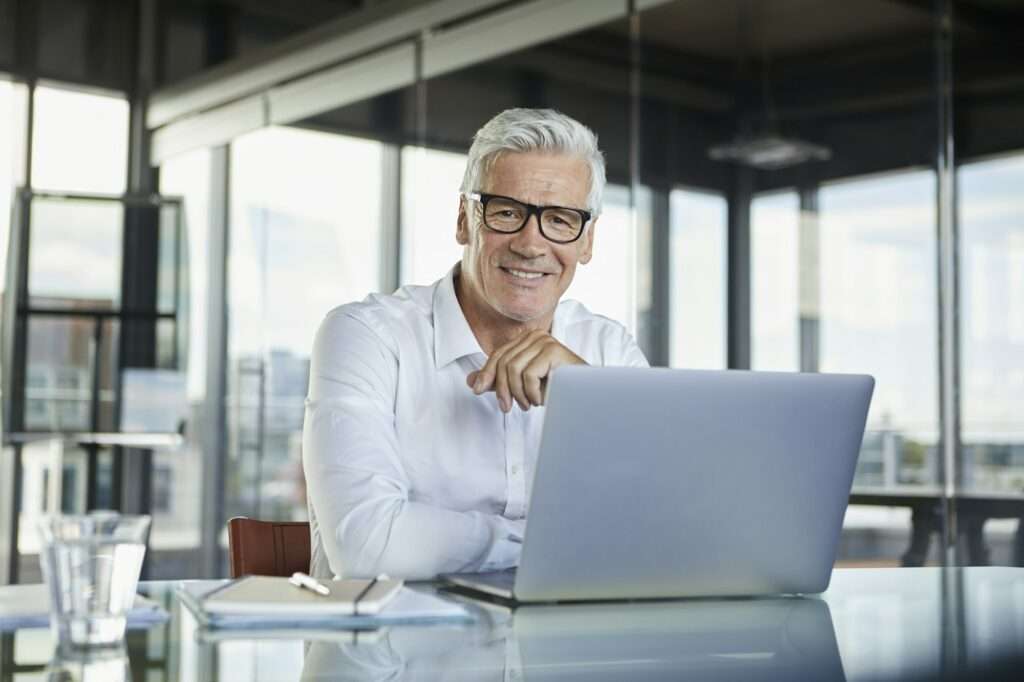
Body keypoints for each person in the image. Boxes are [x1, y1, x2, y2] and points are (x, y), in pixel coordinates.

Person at [302, 108, 648, 580]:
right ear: (465, 220)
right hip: (390, 652)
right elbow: (368, 547)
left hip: (562, 649)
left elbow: (665, 527)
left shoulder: (607, 350)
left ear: (586, 242)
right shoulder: (366, 336)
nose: (531, 244)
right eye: (507, 212)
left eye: (561, 220)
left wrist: (588, 398)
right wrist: (552, 540)